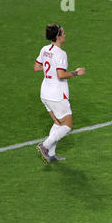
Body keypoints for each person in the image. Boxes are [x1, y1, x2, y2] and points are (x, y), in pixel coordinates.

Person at [34, 23, 85, 163]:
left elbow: (36, 67)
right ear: (58, 37)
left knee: (58, 122)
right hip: (56, 95)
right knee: (67, 125)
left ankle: (51, 154)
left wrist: (47, 68)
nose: (65, 35)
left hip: (44, 92)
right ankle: (44, 146)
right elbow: (61, 75)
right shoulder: (61, 54)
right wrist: (76, 72)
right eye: (63, 33)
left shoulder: (44, 49)